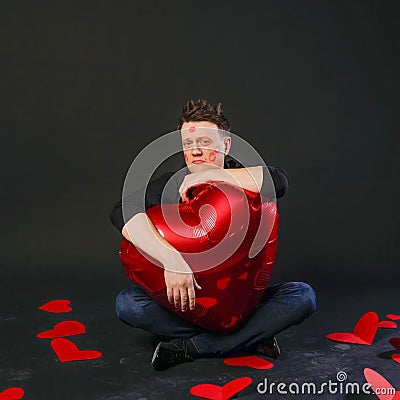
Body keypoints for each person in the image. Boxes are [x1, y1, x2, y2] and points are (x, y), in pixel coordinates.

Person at [110, 99, 317, 371]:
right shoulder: (171, 185)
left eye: (205, 142)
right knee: (128, 304)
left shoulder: (241, 174)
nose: (195, 151)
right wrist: (171, 260)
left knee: (303, 296)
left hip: (240, 300)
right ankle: (249, 338)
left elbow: (279, 181)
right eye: (187, 145)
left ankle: (197, 346)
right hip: (188, 302)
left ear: (226, 145)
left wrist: (213, 177)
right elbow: (121, 212)